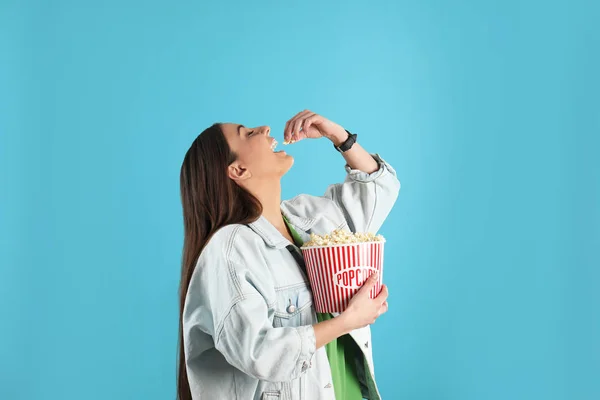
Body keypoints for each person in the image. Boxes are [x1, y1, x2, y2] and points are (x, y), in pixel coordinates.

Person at [178, 110, 401, 400]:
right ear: (238, 170)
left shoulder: (309, 218)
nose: (264, 128)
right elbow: (258, 352)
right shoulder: (230, 249)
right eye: (247, 133)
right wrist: (348, 321)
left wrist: (339, 137)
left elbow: (379, 187)